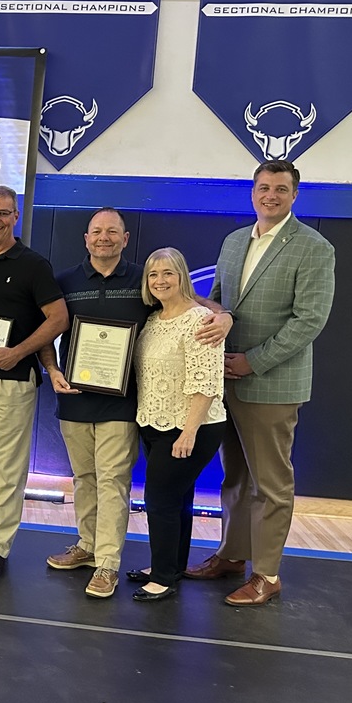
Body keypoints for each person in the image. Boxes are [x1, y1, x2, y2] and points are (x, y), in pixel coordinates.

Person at [40, 209, 234, 598]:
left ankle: (108, 563)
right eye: (97, 232)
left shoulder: (143, 281)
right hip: (76, 403)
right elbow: (45, 327)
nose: (104, 238)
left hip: (123, 407)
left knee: (114, 482)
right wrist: (51, 367)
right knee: (85, 480)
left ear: (125, 238)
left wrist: (226, 316)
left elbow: (196, 305)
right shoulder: (64, 281)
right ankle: (88, 544)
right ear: (86, 238)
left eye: (113, 232)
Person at [186, 160, 335, 606]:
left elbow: (309, 321)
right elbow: (221, 306)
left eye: (281, 189)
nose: (271, 195)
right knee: (234, 477)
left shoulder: (313, 247)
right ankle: (232, 556)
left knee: (270, 484)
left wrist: (253, 362)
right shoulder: (234, 242)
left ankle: (266, 575)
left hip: (271, 384)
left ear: (295, 195)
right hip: (226, 380)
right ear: (253, 192)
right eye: (264, 187)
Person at [0, 185, 69, 579]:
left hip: (13, 380)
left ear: (15, 217)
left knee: (8, 467)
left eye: (3, 213)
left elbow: (58, 319)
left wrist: (18, 352)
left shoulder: (33, 265)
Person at [131, 248, 226, 602]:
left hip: (190, 427)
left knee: (160, 501)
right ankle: (170, 565)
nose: (160, 281)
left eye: (168, 273)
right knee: (178, 499)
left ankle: (163, 577)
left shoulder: (201, 320)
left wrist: (189, 432)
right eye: (153, 275)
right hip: (154, 422)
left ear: (182, 275)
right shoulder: (155, 320)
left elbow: (206, 383)